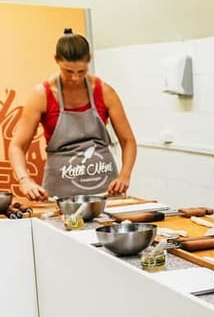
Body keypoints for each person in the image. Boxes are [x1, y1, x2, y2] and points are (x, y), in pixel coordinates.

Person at [9, 29, 136, 200]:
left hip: (105, 189)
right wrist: (25, 180)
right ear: (56, 60)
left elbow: (128, 141)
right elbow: (17, 146)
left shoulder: (104, 91)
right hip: (60, 192)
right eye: (68, 71)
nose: (75, 78)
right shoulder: (42, 95)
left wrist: (124, 175)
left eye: (81, 72)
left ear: (88, 63)